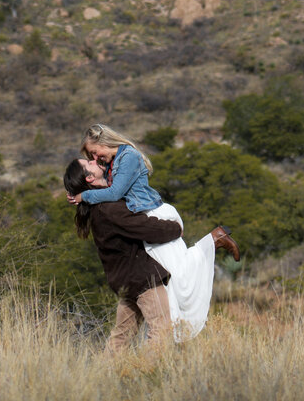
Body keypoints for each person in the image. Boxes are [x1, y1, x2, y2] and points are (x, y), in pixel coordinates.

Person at [67, 124, 240, 339]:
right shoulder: (108, 193)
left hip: (154, 215)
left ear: (104, 142)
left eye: (94, 152)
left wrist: (84, 196)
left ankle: (215, 239)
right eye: (90, 158)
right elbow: (121, 204)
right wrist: (81, 195)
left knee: (180, 272)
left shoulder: (125, 161)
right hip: (139, 267)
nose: (95, 159)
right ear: (89, 179)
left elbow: (116, 193)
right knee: (166, 297)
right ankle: (215, 239)